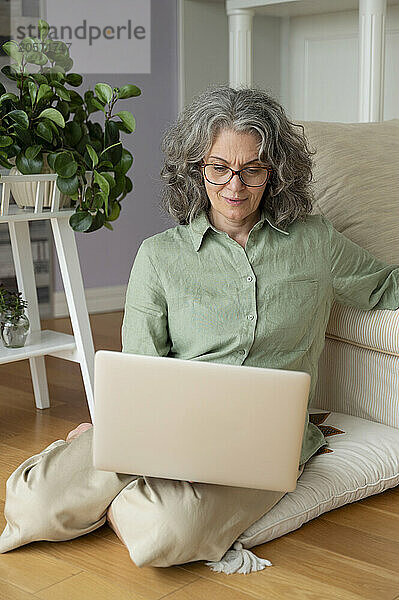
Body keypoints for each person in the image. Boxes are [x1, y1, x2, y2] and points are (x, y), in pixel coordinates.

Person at [2, 85, 399, 573]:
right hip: (166, 426)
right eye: (219, 168)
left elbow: (386, 287)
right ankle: (108, 474)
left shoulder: (315, 241)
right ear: (196, 170)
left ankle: (123, 497)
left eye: (252, 168)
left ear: (274, 172)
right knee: (31, 507)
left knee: (164, 534)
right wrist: (115, 429)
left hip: (263, 441)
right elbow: (142, 370)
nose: (235, 186)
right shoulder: (159, 255)